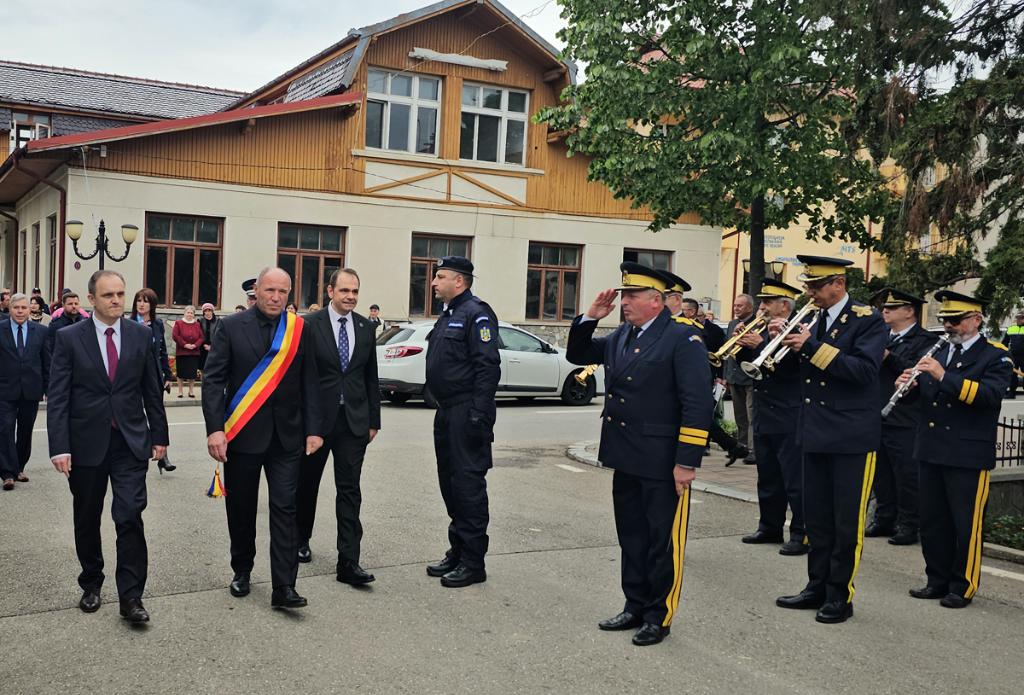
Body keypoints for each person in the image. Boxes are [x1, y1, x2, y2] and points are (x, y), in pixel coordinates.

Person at [567, 263, 712, 647]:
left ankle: (657, 615)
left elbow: (697, 403)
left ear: (655, 301)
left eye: (631, 296)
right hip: (626, 454)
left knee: (662, 541)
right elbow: (578, 354)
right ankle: (634, 604)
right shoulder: (623, 334)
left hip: (663, 459)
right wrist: (589, 318)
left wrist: (686, 461)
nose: (624, 302)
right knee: (631, 536)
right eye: (624, 295)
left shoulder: (683, 337)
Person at [47, 270, 169, 624]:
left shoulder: (140, 334)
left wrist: (159, 436)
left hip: (130, 442)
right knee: (87, 516)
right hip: (86, 444)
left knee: (129, 515)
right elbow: (58, 396)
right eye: (108, 295)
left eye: (120, 294)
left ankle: (131, 597)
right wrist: (59, 446)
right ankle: (91, 581)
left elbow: (151, 389)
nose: (116, 300)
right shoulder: (69, 338)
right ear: (91, 299)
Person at [201, 267, 322, 609]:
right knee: (241, 508)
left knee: (285, 508)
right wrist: (215, 429)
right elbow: (213, 380)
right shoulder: (231, 326)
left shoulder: (300, 329)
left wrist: (314, 429)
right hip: (243, 435)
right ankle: (242, 569)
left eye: (283, 292)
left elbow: (310, 381)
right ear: (257, 290)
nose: (276, 297)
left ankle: (284, 586)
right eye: (270, 290)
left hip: (287, 437)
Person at [774, 255, 886, 624]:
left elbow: (863, 372)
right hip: (815, 432)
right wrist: (779, 344)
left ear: (839, 283)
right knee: (817, 519)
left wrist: (809, 346)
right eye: (808, 285)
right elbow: (800, 375)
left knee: (845, 523)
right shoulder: (814, 319)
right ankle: (816, 586)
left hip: (851, 436)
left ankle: (840, 594)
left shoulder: (868, 320)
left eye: (816, 286)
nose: (810, 292)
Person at [899, 291, 1012, 608]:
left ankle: (962, 585)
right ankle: (936, 579)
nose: (949, 325)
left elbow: (989, 396)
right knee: (932, 521)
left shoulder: (995, 356)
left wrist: (941, 375)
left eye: (956, 320)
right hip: (931, 448)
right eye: (945, 319)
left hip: (967, 454)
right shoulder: (940, 351)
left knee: (965, 524)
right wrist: (907, 388)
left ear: (976, 320)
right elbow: (926, 398)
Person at [295, 268, 382, 586]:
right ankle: (300, 540)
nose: (351, 296)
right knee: (307, 485)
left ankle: (349, 561)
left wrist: (373, 420)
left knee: (349, 491)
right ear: (330, 291)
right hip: (316, 423)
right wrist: (302, 422)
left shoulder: (365, 327)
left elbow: (370, 376)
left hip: (353, 423)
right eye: (345, 290)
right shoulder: (308, 325)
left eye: (355, 291)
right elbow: (299, 376)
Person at [423, 256, 500, 588]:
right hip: (446, 411)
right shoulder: (450, 314)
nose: (433, 282)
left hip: (467, 412)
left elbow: (488, 367)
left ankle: (473, 562)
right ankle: (457, 551)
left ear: (459, 281)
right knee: (450, 484)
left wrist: (478, 414)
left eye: (440, 276)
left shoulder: (476, 313)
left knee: (468, 487)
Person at [734, 279, 807, 555]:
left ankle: (801, 533)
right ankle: (769, 526)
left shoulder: (799, 329)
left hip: (789, 413)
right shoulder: (762, 329)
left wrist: (759, 344)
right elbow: (750, 367)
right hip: (765, 412)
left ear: (784, 306)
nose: (761, 307)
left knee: (795, 479)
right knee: (768, 476)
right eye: (762, 302)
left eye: (767, 302)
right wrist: (742, 345)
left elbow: (790, 368)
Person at [866, 288, 935, 545]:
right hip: (877, 412)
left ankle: (908, 524)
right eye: (884, 307)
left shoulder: (926, 340)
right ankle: (884, 518)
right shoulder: (880, 335)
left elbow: (917, 372)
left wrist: (888, 356)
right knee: (881, 472)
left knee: (906, 474)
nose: (885, 311)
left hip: (905, 416)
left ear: (909, 311)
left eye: (892, 308)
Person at [668, 276, 749, 465]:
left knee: (698, 414)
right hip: (679, 379)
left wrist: (719, 377)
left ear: (677, 299)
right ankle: (733, 446)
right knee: (700, 416)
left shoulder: (689, 327)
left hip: (693, 378)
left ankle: (713, 447)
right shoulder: (665, 323)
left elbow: (712, 356)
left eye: (666, 296)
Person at [0, 294, 51, 490]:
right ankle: (7, 473)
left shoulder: (41, 332)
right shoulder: (1, 329)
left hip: (31, 389)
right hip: (5, 389)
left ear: (29, 309)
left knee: (25, 430)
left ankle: (19, 467)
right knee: (5, 429)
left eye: (23, 308)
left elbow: (47, 362)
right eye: (16, 308)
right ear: (10, 309)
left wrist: (48, 388)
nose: (20, 311)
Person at [131, 288, 175, 473]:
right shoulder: (128, 323)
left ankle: (163, 455)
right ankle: (136, 449)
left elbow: (162, 352)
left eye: (146, 301)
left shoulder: (157, 324)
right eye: (139, 300)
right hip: (133, 376)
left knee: (157, 413)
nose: (141, 304)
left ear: (152, 305)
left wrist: (168, 375)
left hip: (153, 375)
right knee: (134, 413)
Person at [724, 294, 757, 465]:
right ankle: (741, 447)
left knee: (752, 415)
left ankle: (753, 450)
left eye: (740, 306)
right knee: (740, 416)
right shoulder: (732, 324)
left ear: (750, 307)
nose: (736, 308)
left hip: (749, 376)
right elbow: (728, 352)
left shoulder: (757, 323)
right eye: (735, 305)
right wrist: (726, 376)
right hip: (734, 376)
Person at [171, 305, 203, 399]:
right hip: (182, 352)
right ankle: (180, 391)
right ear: (184, 313)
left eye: (191, 313)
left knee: (192, 374)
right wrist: (185, 345)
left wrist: (195, 345)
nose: (190, 314)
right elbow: (175, 336)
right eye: (188, 312)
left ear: (194, 315)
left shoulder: (197, 324)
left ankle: (191, 391)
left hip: (194, 352)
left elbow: (201, 337)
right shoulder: (178, 323)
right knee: (180, 373)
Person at [1001, 310, 1024, 398]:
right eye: (1018, 318)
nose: (1019, 320)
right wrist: (1004, 352)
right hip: (1013, 356)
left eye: (1021, 318)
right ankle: (1011, 393)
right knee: (1012, 375)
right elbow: (1005, 342)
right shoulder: (1011, 328)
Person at [198, 303, 218, 373]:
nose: (207, 312)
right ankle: (203, 380)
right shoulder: (200, 321)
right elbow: (199, 333)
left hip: (214, 347)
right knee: (202, 367)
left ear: (212, 311)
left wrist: (211, 346)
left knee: (213, 367)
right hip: (202, 347)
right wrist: (204, 344)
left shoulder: (218, 321)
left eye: (209, 310)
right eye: (205, 311)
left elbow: (219, 335)